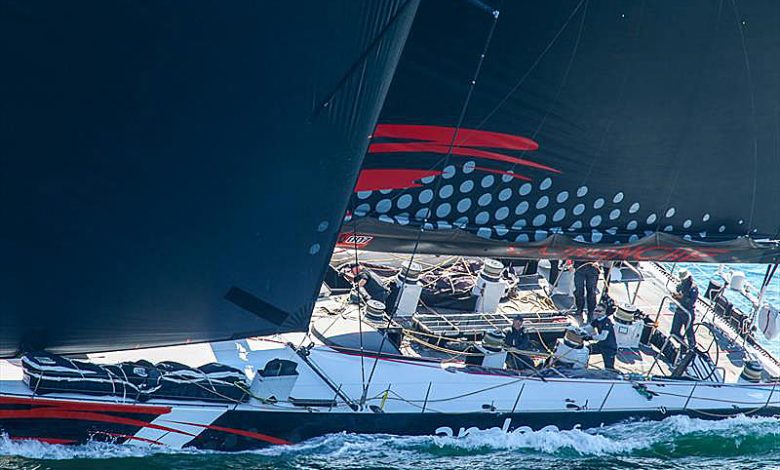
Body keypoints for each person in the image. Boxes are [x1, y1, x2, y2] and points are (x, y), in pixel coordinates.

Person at [671, 268, 698, 348]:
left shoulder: (693, 288)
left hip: (688, 312)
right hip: (680, 310)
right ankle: (683, 345)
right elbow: (677, 292)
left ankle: (692, 348)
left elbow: (691, 301)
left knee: (689, 332)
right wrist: (675, 296)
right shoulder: (680, 285)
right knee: (674, 332)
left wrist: (682, 297)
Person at [586, 303, 618, 370]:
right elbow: (588, 328)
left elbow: (603, 337)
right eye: (596, 310)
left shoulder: (607, 322)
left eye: (599, 311)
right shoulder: (597, 320)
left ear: (604, 312)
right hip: (601, 345)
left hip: (609, 348)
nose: (596, 313)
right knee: (585, 350)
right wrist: (577, 330)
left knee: (609, 369)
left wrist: (590, 337)